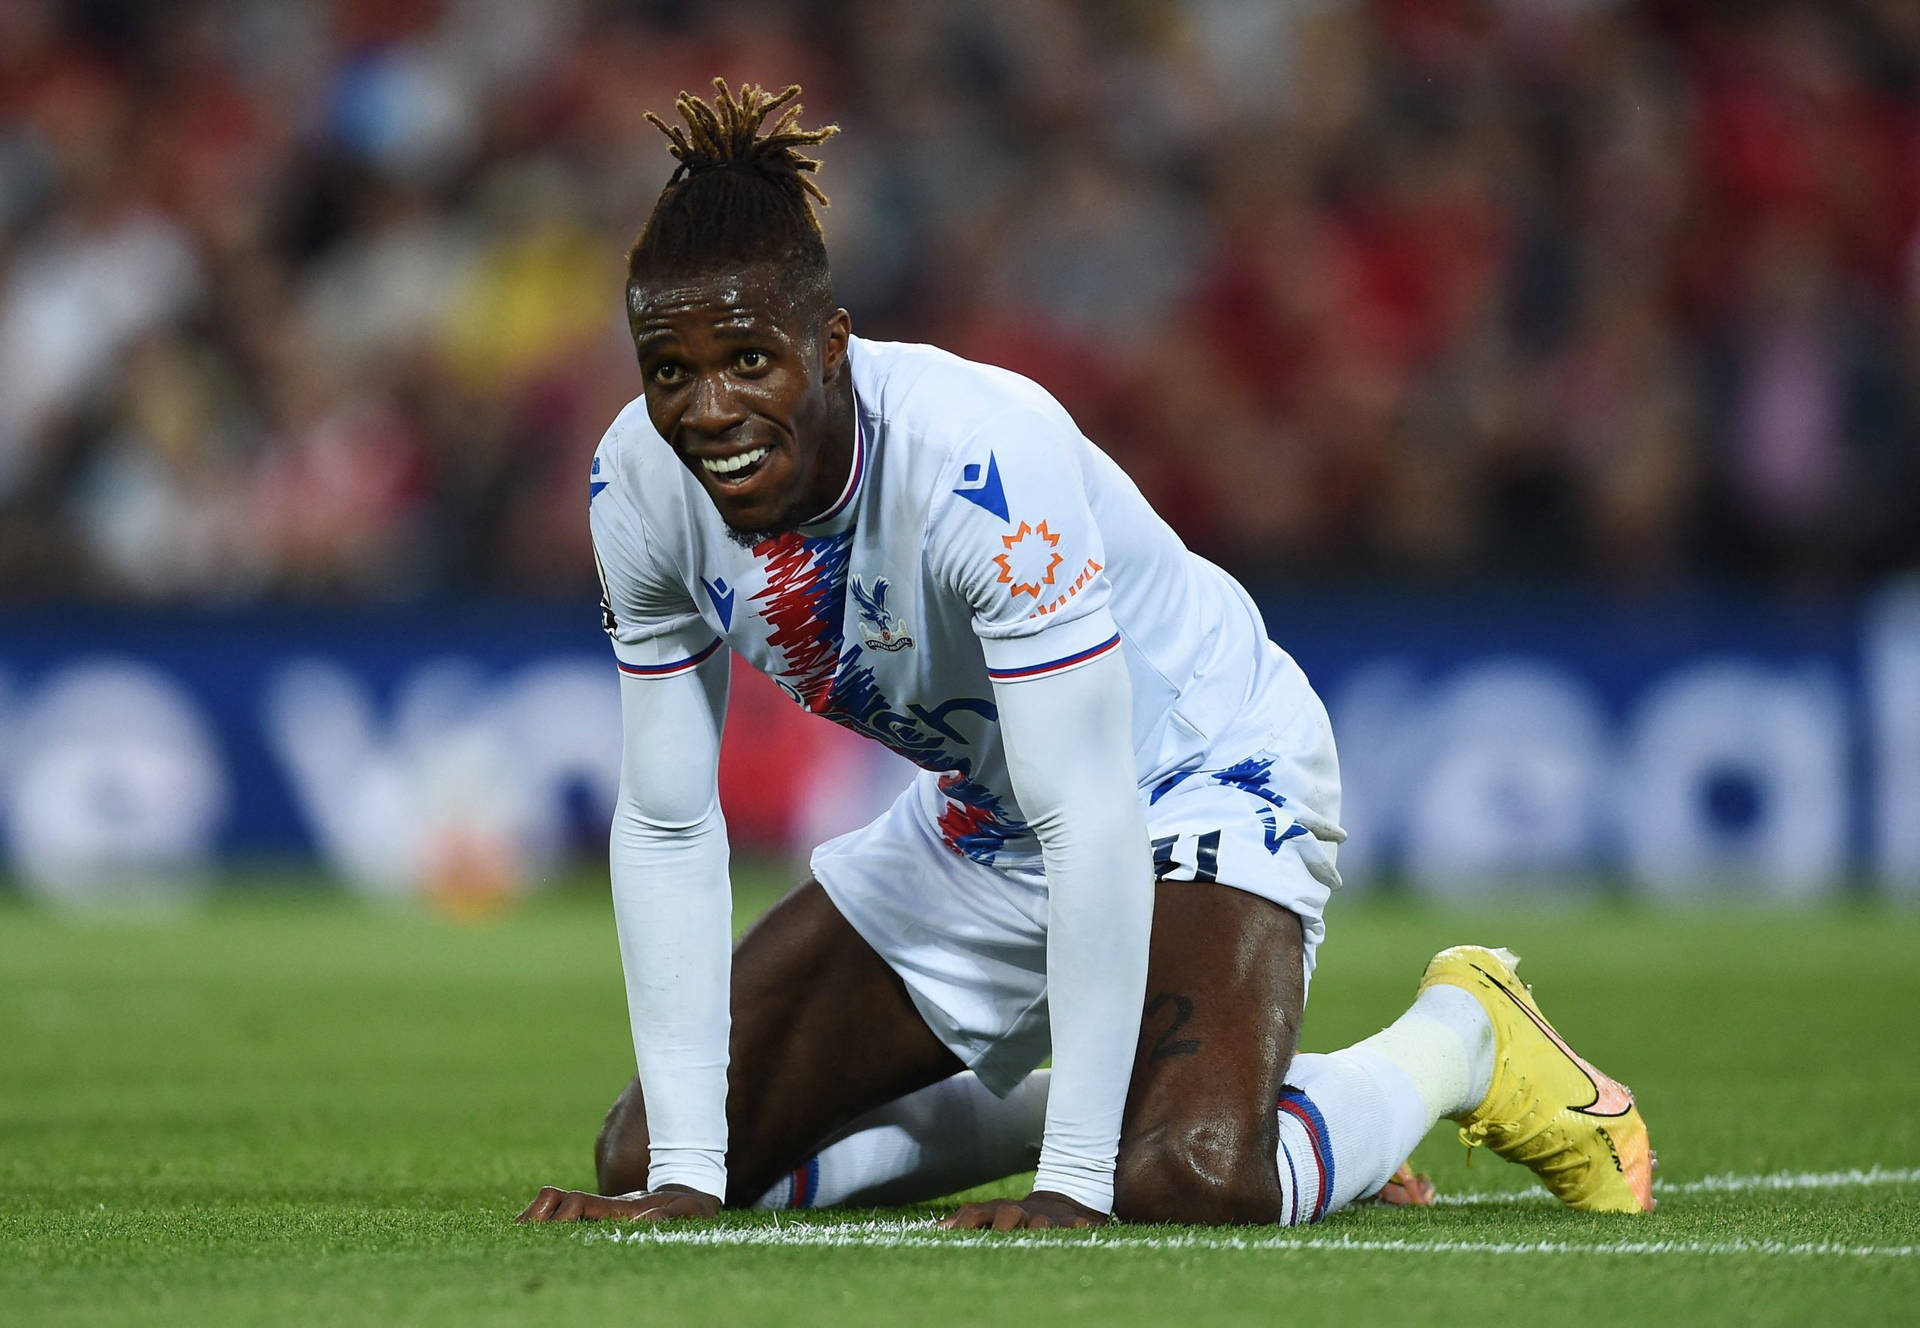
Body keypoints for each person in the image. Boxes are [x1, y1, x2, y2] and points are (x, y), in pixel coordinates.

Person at [517, 81, 1653, 1230]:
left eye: (750, 360)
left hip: (1194, 768)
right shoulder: (638, 488)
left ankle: (1462, 1032)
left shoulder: (979, 466)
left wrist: (1072, 1184)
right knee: (652, 1142)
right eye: (670, 371)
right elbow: (666, 820)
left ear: (831, 346)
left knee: (1188, 1179)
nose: (709, 409)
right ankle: (1134, 1102)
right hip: (990, 813)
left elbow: (1094, 813)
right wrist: (687, 1182)